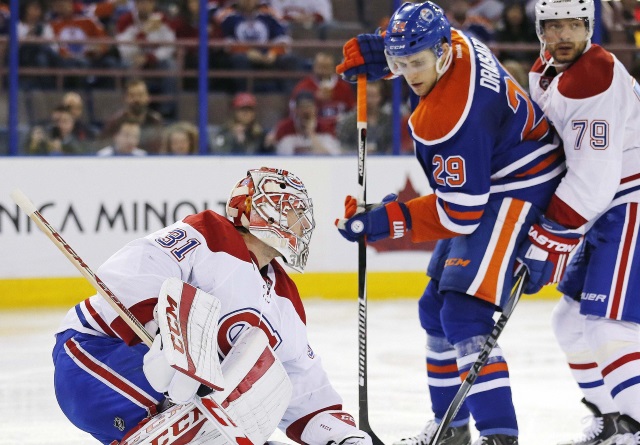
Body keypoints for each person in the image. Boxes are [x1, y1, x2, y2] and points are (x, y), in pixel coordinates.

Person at [334, 2, 566, 445]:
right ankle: (451, 429)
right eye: (400, 64)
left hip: (519, 187)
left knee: (465, 314)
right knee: (433, 312)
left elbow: (460, 213)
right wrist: (386, 54)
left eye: (415, 63)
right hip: (494, 175)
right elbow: (417, 50)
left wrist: (385, 223)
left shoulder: (449, 116)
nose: (407, 74)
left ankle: (499, 435)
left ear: (440, 51)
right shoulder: (456, 42)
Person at [51, 166, 373, 445]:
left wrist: (340, 433)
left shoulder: (285, 300)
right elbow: (135, 268)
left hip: (167, 397)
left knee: (242, 406)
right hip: (95, 353)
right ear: (261, 209)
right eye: (291, 209)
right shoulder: (212, 235)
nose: (302, 223)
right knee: (207, 417)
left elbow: (302, 384)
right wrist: (166, 333)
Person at [521, 1, 640, 444]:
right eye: (555, 26)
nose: (565, 35)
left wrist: (545, 239)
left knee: (607, 325)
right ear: (540, 30)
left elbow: (594, 179)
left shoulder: (593, 76)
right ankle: (609, 420)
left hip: (629, 201)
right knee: (569, 323)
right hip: (606, 206)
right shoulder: (549, 71)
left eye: (575, 25)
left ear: (590, 27)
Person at [291, 52, 356, 128]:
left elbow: (352, 111)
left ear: (334, 68)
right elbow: (293, 114)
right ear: (314, 66)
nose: (323, 71)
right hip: (313, 131)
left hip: (339, 131)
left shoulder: (344, 87)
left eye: (327, 67)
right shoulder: (303, 87)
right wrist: (314, 99)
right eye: (320, 67)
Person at [101, 78, 164, 154]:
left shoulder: (155, 121)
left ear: (147, 97)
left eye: (140, 95)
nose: (136, 99)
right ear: (125, 98)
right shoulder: (115, 121)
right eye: (132, 95)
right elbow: (105, 146)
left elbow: (160, 148)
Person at [270, 90, 341, 156]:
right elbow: (279, 156)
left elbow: (331, 158)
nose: (306, 111)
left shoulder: (325, 128)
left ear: (315, 109)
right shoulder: (285, 128)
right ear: (295, 110)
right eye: (302, 107)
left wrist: (311, 133)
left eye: (309, 107)